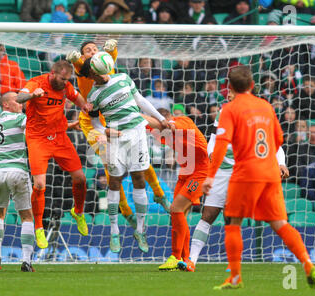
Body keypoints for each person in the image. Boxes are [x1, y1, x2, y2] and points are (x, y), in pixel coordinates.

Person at [202, 65, 315, 290]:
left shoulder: (230, 109)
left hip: (246, 172)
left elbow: (220, 145)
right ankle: (308, 264)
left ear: (230, 87)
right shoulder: (266, 106)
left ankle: (235, 277)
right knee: (280, 224)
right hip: (269, 173)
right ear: (252, 85)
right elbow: (278, 138)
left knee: (232, 222)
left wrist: (210, 176)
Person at [66, 40, 171, 226]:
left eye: (95, 49)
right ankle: (125, 211)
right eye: (87, 51)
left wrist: (111, 48)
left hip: (115, 116)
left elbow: (111, 56)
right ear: (83, 57)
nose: (92, 52)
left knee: (140, 160)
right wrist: (75, 59)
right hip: (92, 122)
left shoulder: (108, 66)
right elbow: (80, 65)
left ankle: (160, 195)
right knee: (110, 164)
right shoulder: (82, 69)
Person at [186, 92, 289, 272]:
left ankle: (234, 263)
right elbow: (213, 139)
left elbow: (275, 145)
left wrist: (281, 163)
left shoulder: (260, 114)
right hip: (222, 171)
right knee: (208, 214)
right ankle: (191, 260)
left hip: (244, 171)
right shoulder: (224, 112)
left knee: (233, 217)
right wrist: (211, 154)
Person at [80, 57, 171, 254]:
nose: (102, 73)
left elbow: (140, 100)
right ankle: (114, 231)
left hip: (137, 133)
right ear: (92, 75)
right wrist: (104, 131)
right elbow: (95, 123)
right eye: (97, 72)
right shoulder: (93, 96)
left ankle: (140, 230)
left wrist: (162, 118)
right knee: (114, 182)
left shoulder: (123, 78)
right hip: (116, 140)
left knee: (139, 178)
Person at [16, 59, 92, 249]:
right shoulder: (37, 83)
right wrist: (33, 95)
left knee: (81, 178)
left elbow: (77, 98)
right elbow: (19, 98)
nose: (64, 82)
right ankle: (39, 227)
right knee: (40, 185)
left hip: (59, 137)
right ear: (52, 73)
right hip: (37, 139)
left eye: (67, 79)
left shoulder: (66, 86)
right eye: (61, 78)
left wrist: (85, 106)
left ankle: (78, 212)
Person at [142, 107, 210, 271]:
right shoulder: (160, 130)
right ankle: (186, 261)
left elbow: (170, 125)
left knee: (176, 209)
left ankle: (175, 256)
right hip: (185, 173)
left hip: (200, 172)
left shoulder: (183, 122)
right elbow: (140, 123)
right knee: (178, 215)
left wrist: (136, 112)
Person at [0, 92, 36, 272]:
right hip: (17, 170)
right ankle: (26, 261)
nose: (21, 104)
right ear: (6, 104)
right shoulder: (19, 119)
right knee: (26, 216)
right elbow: (34, 126)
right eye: (18, 101)